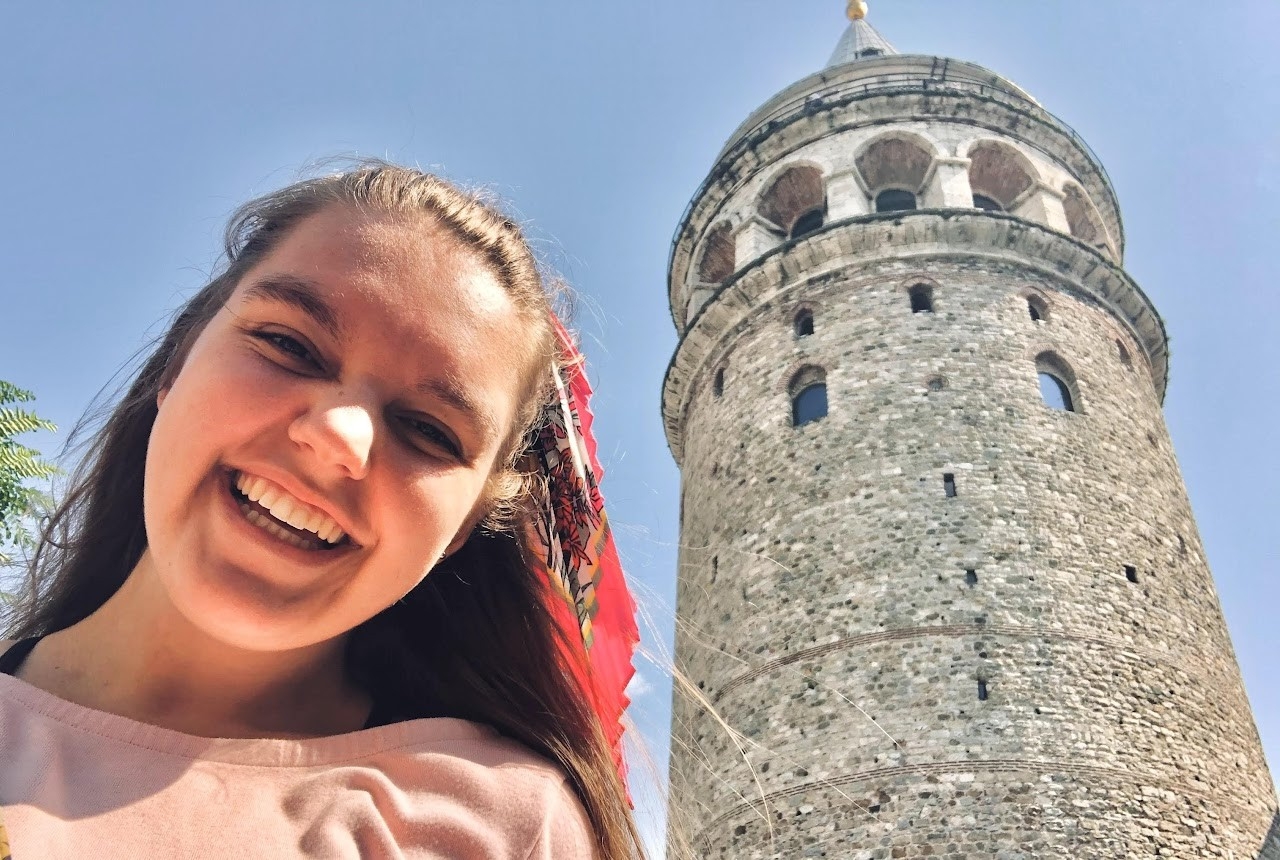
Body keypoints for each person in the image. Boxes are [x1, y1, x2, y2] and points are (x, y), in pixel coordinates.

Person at [0, 163, 644, 859]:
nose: (339, 437)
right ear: (177, 365)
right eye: (289, 346)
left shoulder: (505, 828)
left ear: (464, 526)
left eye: (428, 430)